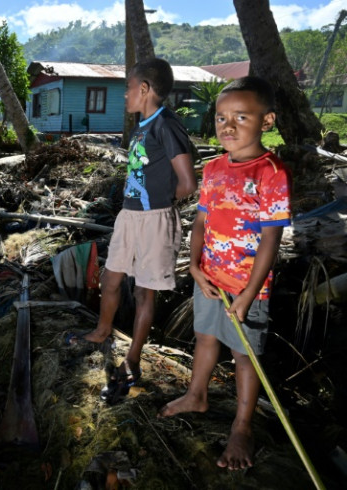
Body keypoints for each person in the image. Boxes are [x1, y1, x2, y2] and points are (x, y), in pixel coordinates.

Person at [158, 76, 292, 471]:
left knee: (244, 356)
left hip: (248, 287)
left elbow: (270, 240)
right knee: (204, 337)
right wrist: (196, 266)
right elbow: (200, 222)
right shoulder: (214, 168)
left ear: (266, 122)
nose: (227, 126)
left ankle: (242, 426)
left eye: (241, 117)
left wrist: (249, 294)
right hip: (211, 280)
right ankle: (196, 394)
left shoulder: (271, 173)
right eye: (220, 118)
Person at [67, 58, 197, 402]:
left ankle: (133, 359)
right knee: (110, 279)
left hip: (154, 220)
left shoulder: (166, 125)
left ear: (145, 89)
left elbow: (187, 183)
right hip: (129, 216)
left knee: (144, 293)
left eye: (128, 87)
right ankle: (102, 330)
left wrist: (156, 206)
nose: (124, 94)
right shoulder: (142, 126)